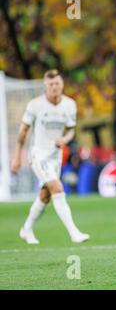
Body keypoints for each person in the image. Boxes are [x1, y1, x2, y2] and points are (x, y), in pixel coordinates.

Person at [11, 69, 90, 244]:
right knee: (57, 187)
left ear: (62, 84)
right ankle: (74, 233)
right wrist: (17, 157)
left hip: (56, 157)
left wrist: (65, 139)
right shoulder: (35, 105)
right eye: (51, 84)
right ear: (45, 86)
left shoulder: (70, 105)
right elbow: (23, 131)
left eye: (57, 83)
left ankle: (26, 229)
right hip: (39, 155)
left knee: (45, 196)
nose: (54, 87)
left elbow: (70, 131)